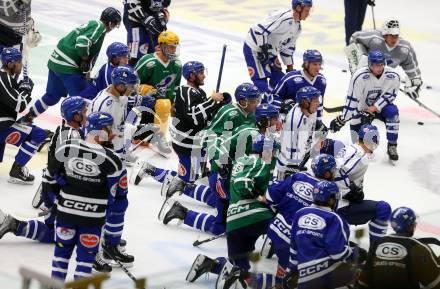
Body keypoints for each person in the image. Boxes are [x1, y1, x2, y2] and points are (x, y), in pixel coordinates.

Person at [186, 134, 278, 289]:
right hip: (255, 216)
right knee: (286, 232)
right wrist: (261, 198)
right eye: (272, 151)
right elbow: (244, 184)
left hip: (233, 220)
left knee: (240, 270)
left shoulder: (241, 161)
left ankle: (211, 264)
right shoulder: (261, 163)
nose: (273, 154)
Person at [89, 65, 156, 268]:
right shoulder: (105, 105)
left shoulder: (117, 95)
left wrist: (141, 100)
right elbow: (98, 139)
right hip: (105, 161)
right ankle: (100, 246)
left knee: (119, 202)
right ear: (118, 85)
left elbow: (126, 100)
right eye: (129, 86)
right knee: (107, 204)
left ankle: (111, 240)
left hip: (115, 158)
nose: (132, 89)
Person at [47, 112, 123, 281]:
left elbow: (52, 171)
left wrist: (64, 182)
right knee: (85, 261)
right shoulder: (113, 160)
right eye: (109, 129)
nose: (112, 133)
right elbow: (112, 197)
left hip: (66, 212)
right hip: (92, 219)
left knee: (61, 256)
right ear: (101, 130)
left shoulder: (67, 147)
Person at [0, 96, 87, 243]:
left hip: (53, 187)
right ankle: (15, 225)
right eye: (84, 111)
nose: (87, 113)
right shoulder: (70, 138)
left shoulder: (69, 131)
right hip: (56, 189)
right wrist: (60, 196)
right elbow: (61, 170)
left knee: (58, 232)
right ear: (76, 116)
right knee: (66, 236)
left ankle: (15, 224)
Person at [134, 60, 229, 186]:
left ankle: (196, 171)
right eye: (201, 73)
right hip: (185, 142)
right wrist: (212, 101)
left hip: (196, 140)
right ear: (192, 76)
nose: (204, 75)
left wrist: (220, 103)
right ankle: (151, 170)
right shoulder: (185, 92)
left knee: (195, 174)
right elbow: (192, 117)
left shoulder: (199, 92)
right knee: (187, 182)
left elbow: (205, 115)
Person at [22, 7, 121, 121]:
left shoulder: (92, 24)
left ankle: (26, 119)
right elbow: (82, 43)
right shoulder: (100, 27)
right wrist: (84, 60)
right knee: (82, 103)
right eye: (114, 24)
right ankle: (72, 133)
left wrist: (86, 71)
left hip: (56, 62)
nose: (113, 28)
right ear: (110, 22)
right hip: (68, 67)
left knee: (51, 97)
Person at [263, 154, 337, 286]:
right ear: (326, 173)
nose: (334, 172)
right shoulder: (329, 191)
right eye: (332, 169)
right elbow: (327, 223)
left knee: (284, 265)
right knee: (292, 278)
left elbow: (271, 196)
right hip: (295, 242)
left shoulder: (298, 176)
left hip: (275, 230)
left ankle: (281, 273)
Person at [329, 50, 401, 162]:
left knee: (393, 112)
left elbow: (390, 95)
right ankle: (366, 146)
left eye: (381, 64)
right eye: (376, 65)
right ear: (369, 64)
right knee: (358, 146)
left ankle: (392, 145)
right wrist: (343, 119)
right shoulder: (360, 76)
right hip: (362, 108)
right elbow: (352, 100)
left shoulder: (393, 76)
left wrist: (375, 107)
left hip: (381, 108)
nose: (380, 68)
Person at [287, 181, 357, 289]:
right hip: (323, 274)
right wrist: (353, 252)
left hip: (302, 275)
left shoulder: (300, 213)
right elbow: (337, 254)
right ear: (331, 199)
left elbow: (293, 244)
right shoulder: (335, 219)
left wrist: (292, 268)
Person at [333, 124, 391, 245]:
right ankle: (376, 249)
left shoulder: (351, 149)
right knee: (383, 208)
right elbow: (336, 171)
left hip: (331, 204)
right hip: (339, 208)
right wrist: (349, 192)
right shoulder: (360, 155)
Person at [357, 207, 440, 289]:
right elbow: (434, 283)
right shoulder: (418, 247)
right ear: (411, 225)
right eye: (414, 222)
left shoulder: (378, 243)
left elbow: (363, 281)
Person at [243, 0, 313, 94]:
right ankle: (262, 105)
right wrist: (263, 50)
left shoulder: (297, 27)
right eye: (306, 11)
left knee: (280, 80)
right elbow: (259, 30)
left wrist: (290, 69)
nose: (308, 14)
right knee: (261, 82)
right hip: (254, 48)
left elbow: (288, 48)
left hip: (269, 52)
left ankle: (273, 100)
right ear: (298, 8)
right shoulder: (284, 17)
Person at [0, 47, 46, 184]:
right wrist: (26, 90)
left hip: (3, 122)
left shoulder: (7, 79)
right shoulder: (3, 78)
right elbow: (19, 104)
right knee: (38, 134)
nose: (21, 65)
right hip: (2, 125)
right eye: (19, 61)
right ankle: (17, 171)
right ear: (10, 64)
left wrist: (21, 88)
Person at [347, 18, 422, 99]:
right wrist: (359, 64)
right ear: (385, 35)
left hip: (383, 80)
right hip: (366, 71)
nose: (394, 39)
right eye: (391, 36)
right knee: (360, 74)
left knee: (387, 108)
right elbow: (353, 38)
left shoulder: (405, 49)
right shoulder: (374, 37)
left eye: (396, 36)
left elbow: (415, 75)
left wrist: (415, 86)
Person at [134, 30, 182, 154]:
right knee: (162, 105)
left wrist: (175, 103)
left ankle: (159, 136)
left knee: (166, 104)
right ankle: (146, 134)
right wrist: (142, 89)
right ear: (161, 46)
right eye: (171, 47)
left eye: (175, 47)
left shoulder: (177, 64)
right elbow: (131, 83)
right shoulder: (148, 62)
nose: (174, 51)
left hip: (164, 104)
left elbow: (176, 86)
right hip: (145, 102)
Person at [277, 86, 324, 179]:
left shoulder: (310, 110)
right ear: (305, 103)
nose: (318, 104)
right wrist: (291, 172)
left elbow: (312, 122)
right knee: (285, 186)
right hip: (287, 161)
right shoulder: (295, 121)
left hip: (302, 150)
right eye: (315, 101)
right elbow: (290, 157)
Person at [269, 49, 326, 122]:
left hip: (308, 122)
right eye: (314, 64)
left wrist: (319, 121)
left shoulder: (321, 81)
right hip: (288, 122)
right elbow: (272, 98)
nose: (318, 68)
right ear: (306, 64)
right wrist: (284, 105)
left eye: (319, 64)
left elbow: (319, 104)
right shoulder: (290, 78)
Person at [123, 0, 170, 66]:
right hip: (136, 21)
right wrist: (146, 18)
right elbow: (131, 5)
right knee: (136, 57)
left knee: (157, 55)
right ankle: (131, 73)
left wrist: (162, 13)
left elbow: (165, 4)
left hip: (153, 15)